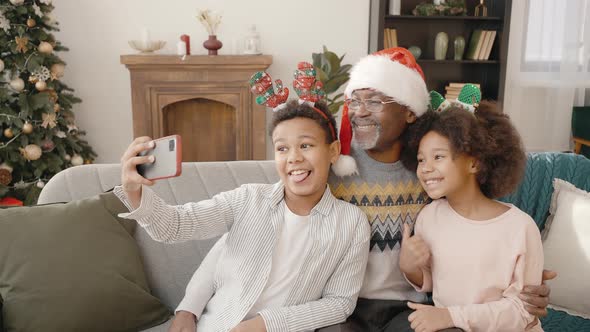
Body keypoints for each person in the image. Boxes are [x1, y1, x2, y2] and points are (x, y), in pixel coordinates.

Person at [322, 47, 554, 332]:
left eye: (374, 100)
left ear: (408, 111)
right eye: (354, 100)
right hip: (346, 306)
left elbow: (481, 226)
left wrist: (529, 282)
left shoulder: (432, 178)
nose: (359, 111)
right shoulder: (333, 163)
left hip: (409, 309)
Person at [115, 97, 371, 332]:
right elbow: (175, 226)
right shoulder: (247, 199)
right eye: (282, 149)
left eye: (306, 145)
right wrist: (134, 191)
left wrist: (265, 324)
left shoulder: (351, 223)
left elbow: (340, 303)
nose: (293, 158)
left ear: (334, 151)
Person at [399, 101, 544, 331]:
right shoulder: (428, 217)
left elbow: (521, 311)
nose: (425, 168)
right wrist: (409, 267)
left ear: (474, 162)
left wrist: (451, 316)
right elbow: (434, 282)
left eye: (438, 157)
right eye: (420, 159)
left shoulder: (520, 227)